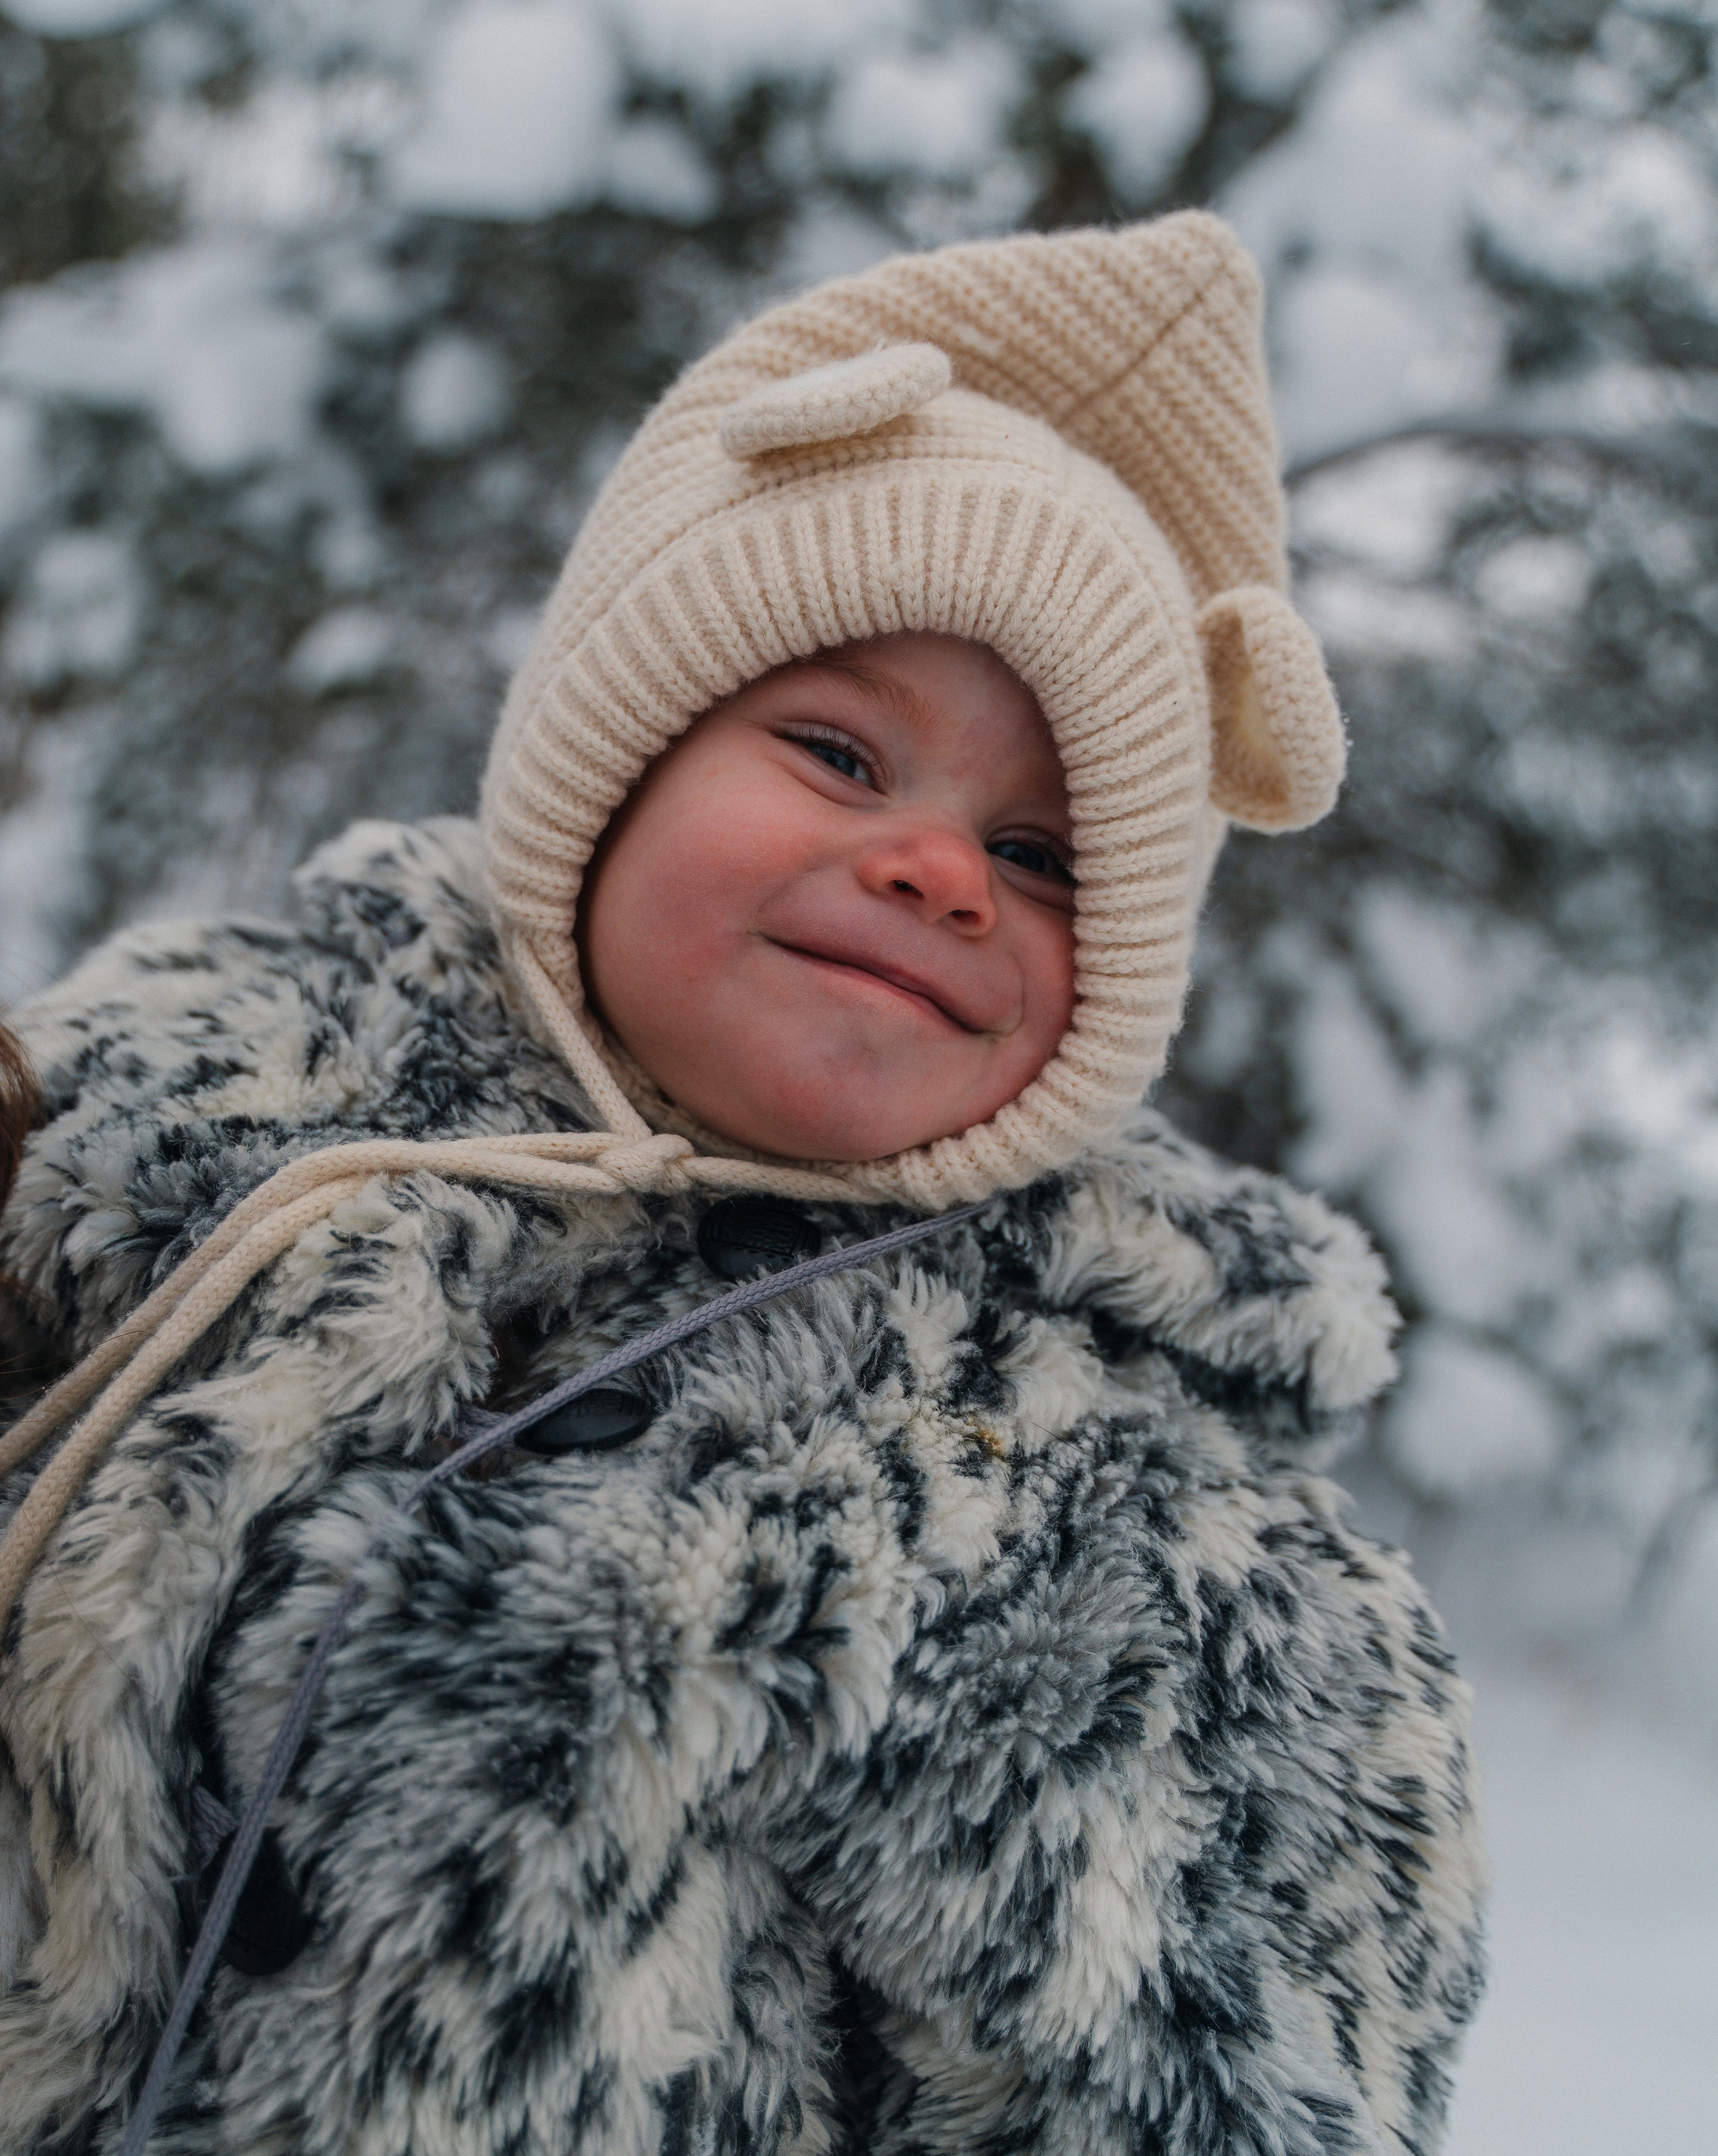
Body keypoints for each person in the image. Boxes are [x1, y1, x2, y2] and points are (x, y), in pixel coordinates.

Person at [0, 213, 1484, 2155]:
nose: (943, 871)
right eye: (840, 751)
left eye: (1042, 855)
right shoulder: (204, 1086)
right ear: (607, 762)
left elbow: (1254, 2076)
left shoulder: (1144, 1525)